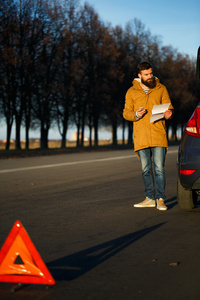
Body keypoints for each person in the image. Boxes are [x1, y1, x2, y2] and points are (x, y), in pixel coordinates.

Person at [123, 61, 174, 211]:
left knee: (159, 169)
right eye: (146, 75)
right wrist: (135, 115)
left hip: (158, 133)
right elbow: (126, 113)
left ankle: (161, 199)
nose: (150, 76)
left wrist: (169, 113)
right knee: (146, 169)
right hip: (141, 136)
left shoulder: (161, 88)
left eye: (151, 73)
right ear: (140, 76)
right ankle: (149, 198)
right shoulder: (131, 92)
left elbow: (169, 107)